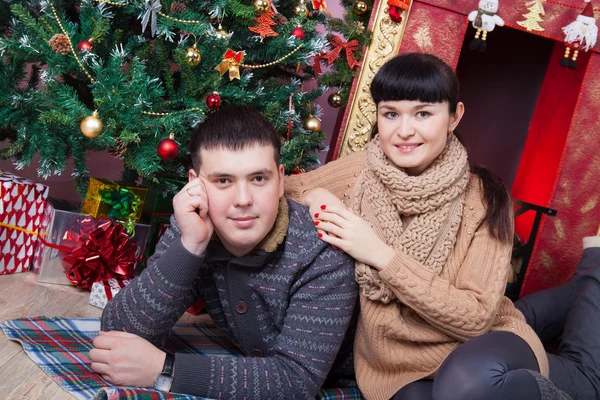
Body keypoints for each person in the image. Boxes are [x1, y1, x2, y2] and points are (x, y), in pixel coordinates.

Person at [285, 53, 596, 400]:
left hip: (485, 343)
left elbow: (476, 316)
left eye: (423, 113)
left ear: (453, 117)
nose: (404, 131)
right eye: (390, 114)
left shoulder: (485, 197)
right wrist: (316, 194)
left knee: (465, 386)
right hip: (398, 364)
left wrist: (379, 254)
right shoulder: (361, 172)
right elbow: (278, 189)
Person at [89, 105, 358, 399]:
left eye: (258, 179)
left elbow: (296, 381)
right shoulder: (195, 225)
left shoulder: (321, 250)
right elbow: (118, 333)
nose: (243, 200)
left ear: (281, 180)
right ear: (195, 184)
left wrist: (166, 369)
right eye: (223, 181)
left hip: (344, 386)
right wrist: (191, 246)